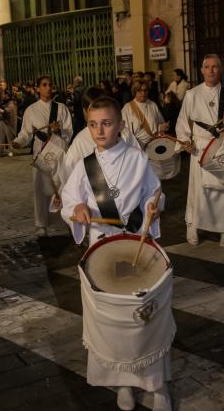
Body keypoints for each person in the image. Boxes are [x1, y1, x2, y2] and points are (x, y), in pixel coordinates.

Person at [60, 96, 171, 411]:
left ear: (120, 125)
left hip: (134, 241)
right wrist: (77, 207)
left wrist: (154, 206)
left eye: (106, 123)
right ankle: (123, 382)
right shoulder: (85, 165)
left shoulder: (137, 159)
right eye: (93, 124)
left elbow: (154, 191)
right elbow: (70, 199)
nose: (99, 130)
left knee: (145, 318)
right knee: (111, 321)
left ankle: (156, 384)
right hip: (101, 247)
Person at [175, 54, 224, 250]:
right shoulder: (192, 94)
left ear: (220, 70)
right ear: (202, 70)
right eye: (207, 67)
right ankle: (193, 226)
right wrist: (185, 142)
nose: (211, 70)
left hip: (223, 148)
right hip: (200, 149)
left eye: (215, 67)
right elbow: (183, 121)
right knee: (199, 191)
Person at [12, 75, 73, 235]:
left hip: (58, 150)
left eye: (50, 85)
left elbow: (69, 130)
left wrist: (59, 130)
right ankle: (41, 223)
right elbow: (26, 133)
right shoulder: (31, 110)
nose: (47, 88)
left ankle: (65, 219)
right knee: (40, 188)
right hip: (40, 151)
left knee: (61, 185)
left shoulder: (61, 108)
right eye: (44, 85)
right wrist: (18, 142)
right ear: (38, 88)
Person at [122, 81, 179, 180]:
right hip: (137, 148)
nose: (143, 93)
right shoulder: (127, 108)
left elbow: (160, 122)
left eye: (145, 90)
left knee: (155, 177)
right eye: (139, 91)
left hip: (153, 146)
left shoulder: (152, 105)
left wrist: (162, 127)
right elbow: (124, 132)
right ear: (134, 92)